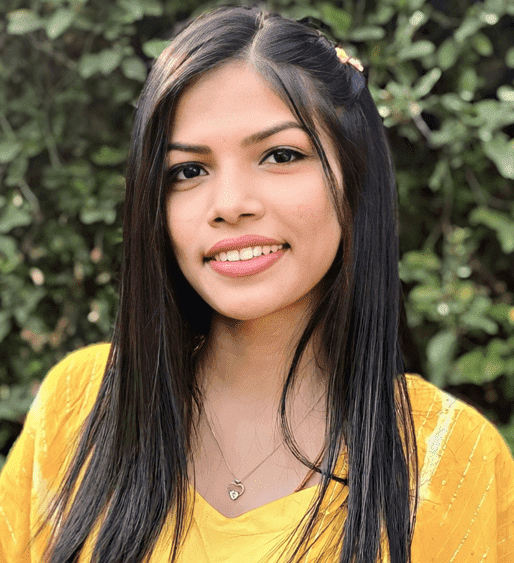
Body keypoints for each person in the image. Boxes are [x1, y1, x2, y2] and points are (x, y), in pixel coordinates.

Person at [0, 5, 513, 563]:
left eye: (280, 155)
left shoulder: (449, 459)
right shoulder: (80, 405)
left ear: (354, 178)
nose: (229, 205)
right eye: (188, 171)